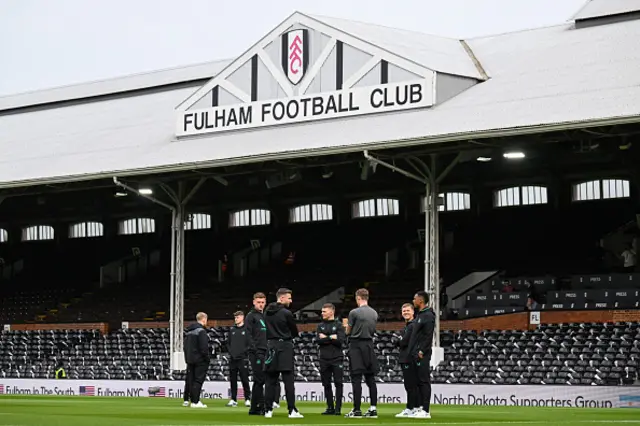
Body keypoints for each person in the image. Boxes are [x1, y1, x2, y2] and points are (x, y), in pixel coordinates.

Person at [263, 288, 303, 419]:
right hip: (285, 346)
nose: (291, 301)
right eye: (289, 298)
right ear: (282, 298)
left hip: (271, 346)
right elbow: (294, 332)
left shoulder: (267, 312)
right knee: (288, 380)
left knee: (270, 381)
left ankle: (268, 410)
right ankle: (292, 410)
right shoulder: (286, 313)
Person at [345, 288, 378, 418]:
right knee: (371, 379)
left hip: (356, 345)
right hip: (369, 345)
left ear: (358, 298)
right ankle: (373, 409)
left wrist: (346, 328)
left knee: (356, 378)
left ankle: (357, 409)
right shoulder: (374, 313)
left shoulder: (354, 312)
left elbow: (348, 331)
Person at [408, 291, 436, 419]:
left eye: (414, 298)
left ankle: (426, 410)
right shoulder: (420, 315)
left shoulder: (428, 315)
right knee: (418, 381)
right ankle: (419, 408)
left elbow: (428, 335)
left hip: (422, 354)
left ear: (420, 300)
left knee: (424, 381)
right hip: (415, 352)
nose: (413, 301)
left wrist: (422, 351)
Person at [316, 303, 345, 415]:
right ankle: (330, 408)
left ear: (332, 312)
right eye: (322, 311)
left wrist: (326, 337)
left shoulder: (338, 325)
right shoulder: (320, 326)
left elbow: (340, 341)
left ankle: (338, 408)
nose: (322, 313)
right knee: (326, 383)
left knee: (338, 383)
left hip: (337, 358)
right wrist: (332, 337)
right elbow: (318, 341)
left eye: (324, 311)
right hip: (324, 358)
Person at [395, 303, 420, 417]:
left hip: (409, 358)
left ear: (413, 312)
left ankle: (412, 408)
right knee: (410, 384)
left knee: (410, 385)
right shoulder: (408, 326)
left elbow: (403, 342)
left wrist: (398, 341)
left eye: (407, 310)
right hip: (407, 357)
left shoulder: (412, 326)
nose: (405, 312)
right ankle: (414, 407)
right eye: (403, 311)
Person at [245, 292, 268, 415]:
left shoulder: (263, 316)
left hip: (264, 350)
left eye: (263, 302)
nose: (261, 305)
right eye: (258, 302)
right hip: (256, 352)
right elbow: (248, 335)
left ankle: (254, 408)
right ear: (253, 302)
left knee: (259, 380)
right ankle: (261, 405)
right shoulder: (250, 316)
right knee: (260, 379)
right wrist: (254, 350)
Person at [184, 312, 210, 409]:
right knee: (198, 380)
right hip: (200, 360)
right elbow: (204, 347)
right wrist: (207, 359)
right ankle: (196, 401)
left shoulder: (189, 332)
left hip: (190, 359)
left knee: (191, 380)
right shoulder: (201, 331)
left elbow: (185, 347)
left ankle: (192, 400)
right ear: (204, 319)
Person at [226, 311, 252, 408]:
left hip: (242, 359)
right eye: (235, 317)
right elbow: (228, 343)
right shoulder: (232, 330)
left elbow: (249, 345)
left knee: (244, 379)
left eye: (237, 317)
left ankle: (247, 399)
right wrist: (231, 353)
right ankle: (233, 399)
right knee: (233, 380)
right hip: (233, 359)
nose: (236, 319)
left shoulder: (247, 330)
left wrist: (242, 353)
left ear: (242, 317)